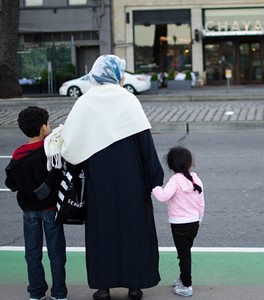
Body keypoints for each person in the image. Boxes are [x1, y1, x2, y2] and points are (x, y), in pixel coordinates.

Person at [44, 54, 164, 300]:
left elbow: (70, 145)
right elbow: (145, 145)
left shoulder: (85, 103)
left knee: (102, 233)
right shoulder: (129, 101)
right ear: (117, 75)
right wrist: (154, 179)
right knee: (134, 232)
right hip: (133, 181)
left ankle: (103, 287)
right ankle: (135, 285)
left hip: (99, 181)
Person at [5, 106, 67, 300]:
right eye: (48, 123)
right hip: (51, 209)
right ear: (43, 128)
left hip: (29, 211)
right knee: (56, 254)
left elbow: (11, 183)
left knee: (32, 253)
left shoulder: (18, 154)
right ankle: (59, 293)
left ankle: (36, 292)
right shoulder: (51, 151)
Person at [152, 146, 204, 297]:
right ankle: (182, 279)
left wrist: (153, 186)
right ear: (190, 163)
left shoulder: (175, 180)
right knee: (185, 253)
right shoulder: (196, 178)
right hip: (194, 223)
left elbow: (162, 196)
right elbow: (201, 203)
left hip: (179, 225)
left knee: (184, 256)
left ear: (171, 165)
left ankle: (187, 286)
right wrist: (199, 219)